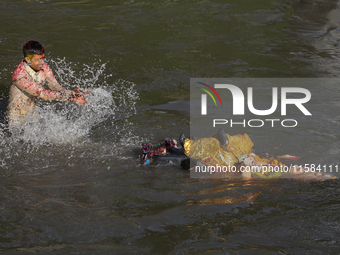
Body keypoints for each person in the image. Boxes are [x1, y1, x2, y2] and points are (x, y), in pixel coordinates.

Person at [6, 40, 88, 123]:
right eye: (38, 59)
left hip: (33, 115)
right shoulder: (19, 76)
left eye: (42, 58)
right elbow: (43, 94)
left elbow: (54, 85)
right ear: (27, 59)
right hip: (16, 119)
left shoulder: (44, 67)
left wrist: (72, 93)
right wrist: (69, 96)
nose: (42, 62)